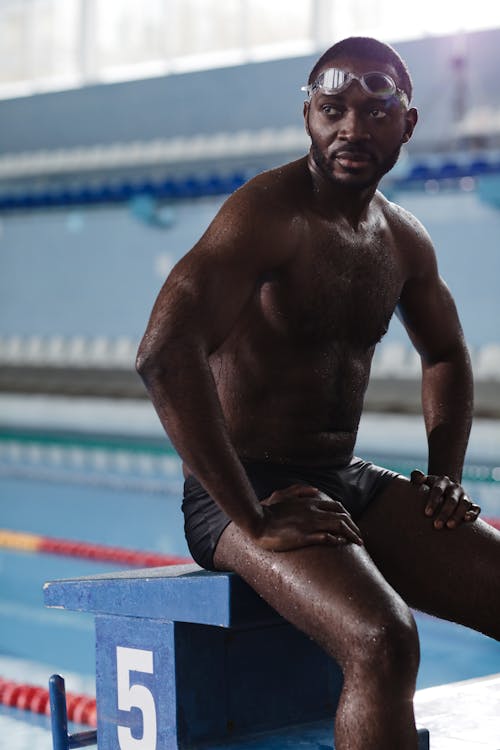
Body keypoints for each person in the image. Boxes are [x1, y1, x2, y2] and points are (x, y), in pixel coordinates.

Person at [136, 36, 500, 750]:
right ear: (309, 116)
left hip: (339, 481)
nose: (351, 129)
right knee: (383, 640)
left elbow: (448, 354)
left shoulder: (402, 239)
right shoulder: (266, 213)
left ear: (408, 124)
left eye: (373, 112)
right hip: (241, 494)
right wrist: (251, 514)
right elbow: (163, 352)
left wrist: (445, 475)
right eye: (332, 110)